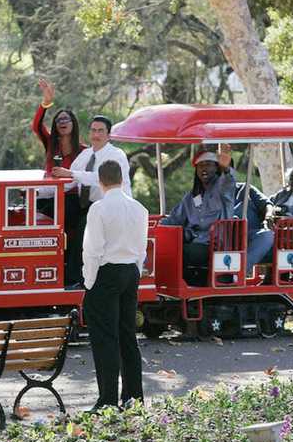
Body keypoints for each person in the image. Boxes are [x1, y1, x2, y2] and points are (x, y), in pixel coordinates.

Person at [81, 159, 148, 411]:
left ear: (100, 181)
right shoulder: (139, 208)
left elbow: (92, 249)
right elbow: (142, 248)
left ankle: (107, 399)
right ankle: (134, 397)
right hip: (130, 270)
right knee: (127, 335)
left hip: (107, 272)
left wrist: (89, 281)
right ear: (122, 178)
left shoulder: (99, 208)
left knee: (105, 338)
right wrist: (136, 273)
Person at [52, 115, 132, 287]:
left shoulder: (116, 155)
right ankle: (52, 265)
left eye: (101, 131)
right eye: (93, 130)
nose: (96, 135)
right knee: (53, 209)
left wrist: (71, 174)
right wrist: (39, 192)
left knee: (84, 225)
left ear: (109, 135)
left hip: (113, 208)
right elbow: (68, 181)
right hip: (90, 204)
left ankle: (75, 279)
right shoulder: (86, 154)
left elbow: (102, 178)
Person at [31, 78, 86, 284]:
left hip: (71, 201)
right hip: (48, 199)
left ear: (74, 125)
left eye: (67, 120)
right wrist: (46, 103)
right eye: (59, 120)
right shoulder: (49, 144)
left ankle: (72, 276)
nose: (62, 122)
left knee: (82, 223)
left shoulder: (83, 150)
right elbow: (36, 125)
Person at [160, 145, 235, 284]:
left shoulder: (223, 190)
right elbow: (174, 219)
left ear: (216, 168)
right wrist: (155, 229)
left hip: (215, 245)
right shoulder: (192, 196)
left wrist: (226, 167)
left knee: (180, 253)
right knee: (165, 248)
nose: (203, 169)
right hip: (195, 242)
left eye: (208, 164)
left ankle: (182, 284)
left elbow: (228, 180)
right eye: (200, 166)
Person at [234, 183, 274, 272]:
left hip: (249, 235)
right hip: (224, 235)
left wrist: (268, 216)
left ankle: (238, 273)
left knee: (267, 235)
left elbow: (267, 204)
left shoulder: (245, 188)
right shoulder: (211, 193)